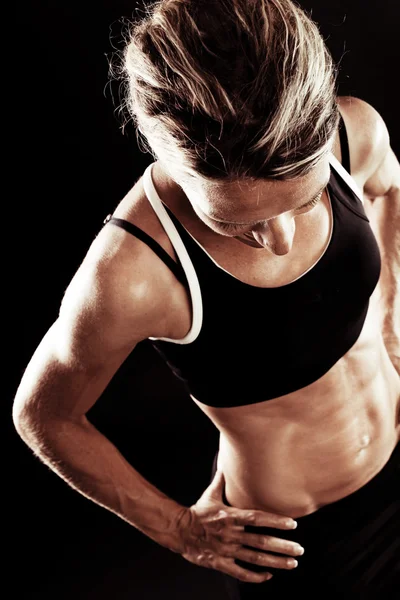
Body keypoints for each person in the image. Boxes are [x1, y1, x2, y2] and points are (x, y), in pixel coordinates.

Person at [13, 0, 399, 598]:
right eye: (239, 222)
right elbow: (44, 414)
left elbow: (389, 188)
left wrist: (393, 310)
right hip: (302, 546)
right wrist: (180, 530)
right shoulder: (133, 273)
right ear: (169, 158)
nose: (280, 241)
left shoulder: (352, 136)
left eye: (301, 201)